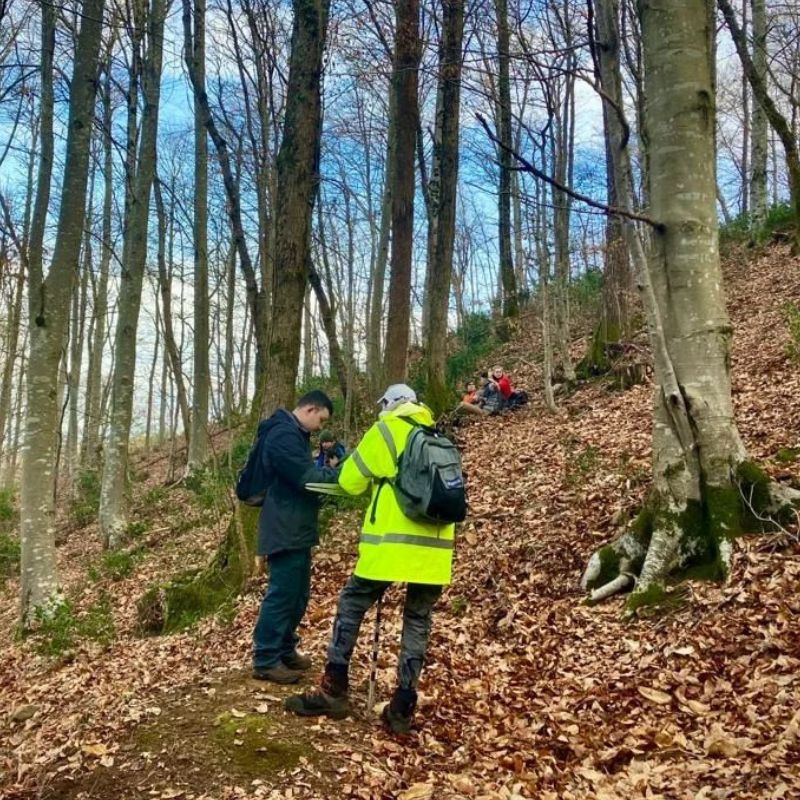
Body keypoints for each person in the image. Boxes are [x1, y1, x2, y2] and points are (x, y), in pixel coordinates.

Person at [285, 384, 456, 734]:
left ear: (389, 405)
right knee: (418, 620)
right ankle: (403, 707)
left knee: (351, 603)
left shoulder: (386, 431)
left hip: (390, 548)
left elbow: (349, 481)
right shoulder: (437, 436)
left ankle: (334, 690)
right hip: (436, 552)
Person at [252, 390, 340, 684]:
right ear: (311, 409)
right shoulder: (283, 436)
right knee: (282, 593)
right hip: (284, 526)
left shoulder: (293, 435)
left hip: (296, 524)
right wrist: (342, 477)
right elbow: (305, 477)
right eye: (321, 420)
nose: (320, 428)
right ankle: (265, 658)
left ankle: (285, 648)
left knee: (298, 594)